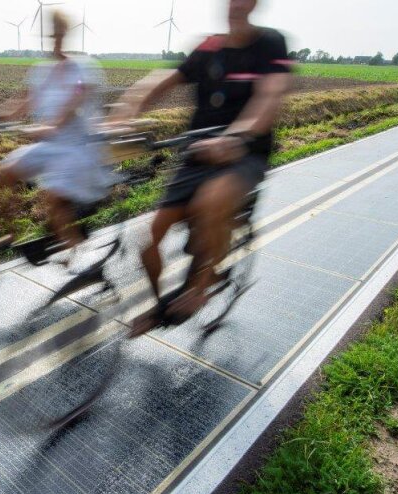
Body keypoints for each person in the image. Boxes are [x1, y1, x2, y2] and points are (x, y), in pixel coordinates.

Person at [112, 0, 292, 329]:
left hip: (244, 154)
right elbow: (166, 79)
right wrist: (130, 105)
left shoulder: (270, 43)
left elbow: (267, 99)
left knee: (212, 198)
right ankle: (161, 307)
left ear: (253, 4)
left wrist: (235, 137)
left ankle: (200, 287)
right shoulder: (208, 47)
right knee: (146, 239)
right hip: (196, 153)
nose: (235, 5)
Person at [0, 10, 110, 255]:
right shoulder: (41, 71)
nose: (55, 40)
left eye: (59, 34)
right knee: (1, 175)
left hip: (78, 148)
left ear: (66, 35)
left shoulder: (82, 68)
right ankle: (11, 234)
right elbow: (25, 101)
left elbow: (76, 100)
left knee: (52, 202)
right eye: (52, 35)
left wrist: (54, 124)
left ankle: (82, 261)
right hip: (51, 145)